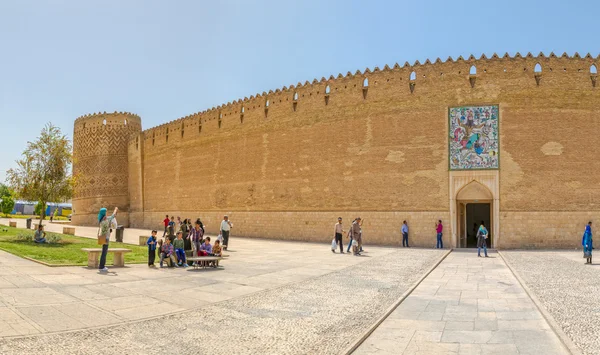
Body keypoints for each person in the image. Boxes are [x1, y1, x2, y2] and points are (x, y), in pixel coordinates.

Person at [98, 207, 118, 272]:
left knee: (104, 252)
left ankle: (102, 266)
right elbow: (112, 216)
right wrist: (115, 210)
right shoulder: (105, 220)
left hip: (104, 237)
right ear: (104, 213)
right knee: (104, 252)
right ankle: (101, 266)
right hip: (105, 238)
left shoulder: (102, 219)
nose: (107, 212)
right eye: (106, 211)